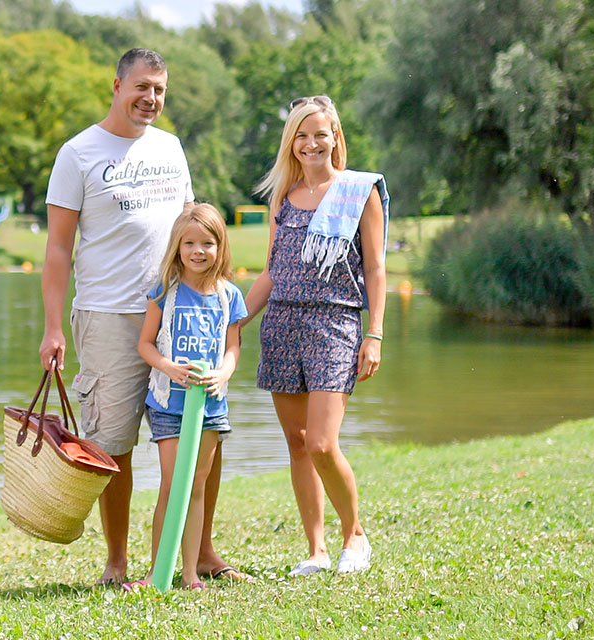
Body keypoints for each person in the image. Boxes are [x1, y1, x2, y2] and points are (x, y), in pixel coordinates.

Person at [40, 47, 251, 588]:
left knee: (204, 427)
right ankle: (117, 563)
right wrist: (52, 327)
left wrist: (215, 294)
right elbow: (58, 249)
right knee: (112, 442)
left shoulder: (170, 148)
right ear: (116, 85)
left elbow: (191, 227)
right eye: (141, 88)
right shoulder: (78, 153)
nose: (150, 99)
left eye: (159, 90)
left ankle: (200, 552)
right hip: (108, 314)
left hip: (181, 311)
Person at [241, 95, 388, 576]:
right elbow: (270, 273)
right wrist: (232, 320)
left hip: (335, 324)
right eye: (301, 136)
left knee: (323, 443)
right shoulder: (281, 199)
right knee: (298, 443)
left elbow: (376, 269)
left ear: (335, 137)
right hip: (282, 325)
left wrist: (375, 334)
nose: (310, 143)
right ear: (291, 143)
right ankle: (317, 551)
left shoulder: (359, 192)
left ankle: (356, 537)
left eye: (319, 134)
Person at [131, 204, 248, 590]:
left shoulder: (229, 296)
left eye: (208, 243)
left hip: (210, 408)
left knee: (197, 486)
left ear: (221, 247)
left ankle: (190, 572)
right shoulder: (165, 291)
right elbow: (145, 345)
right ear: (178, 247)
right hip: (169, 405)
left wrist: (223, 373)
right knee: (172, 485)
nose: (199, 251)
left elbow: (233, 349)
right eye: (190, 243)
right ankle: (155, 571)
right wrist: (168, 367)